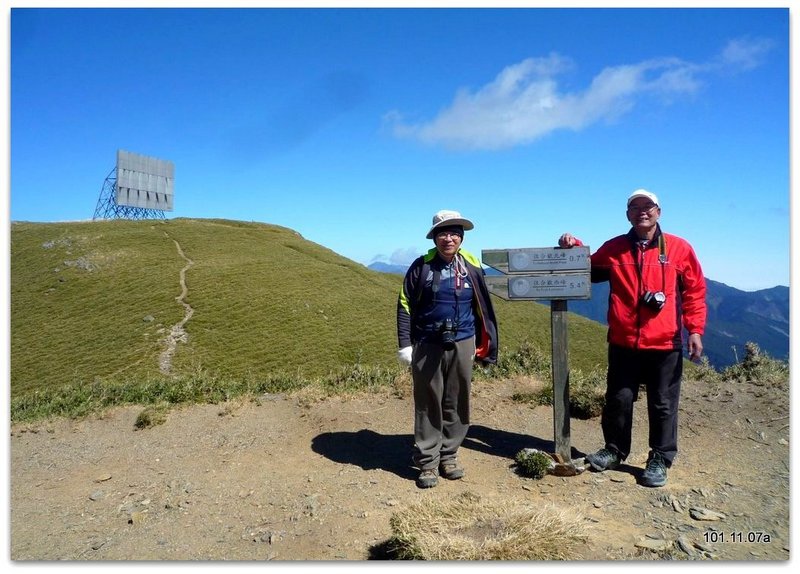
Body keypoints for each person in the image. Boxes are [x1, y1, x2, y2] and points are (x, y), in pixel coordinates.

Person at [558, 189, 706, 487]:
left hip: (666, 342)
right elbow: (587, 267)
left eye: (648, 206)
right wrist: (572, 247)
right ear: (627, 214)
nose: (642, 211)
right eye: (635, 207)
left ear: (658, 212)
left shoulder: (679, 248)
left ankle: (660, 458)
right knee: (619, 399)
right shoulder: (615, 249)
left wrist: (696, 330)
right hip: (624, 341)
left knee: (663, 403)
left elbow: (695, 291)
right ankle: (614, 450)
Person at [397, 209, 499, 489]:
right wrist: (405, 344)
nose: (449, 238)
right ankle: (428, 463)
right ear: (434, 237)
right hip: (427, 343)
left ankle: (449, 456)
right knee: (429, 401)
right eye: (443, 232)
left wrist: (484, 343)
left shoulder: (472, 265)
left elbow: (483, 306)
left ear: (462, 237)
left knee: (457, 398)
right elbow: (405, 304)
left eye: (454, 232)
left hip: (464, 340)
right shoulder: (421, 266)